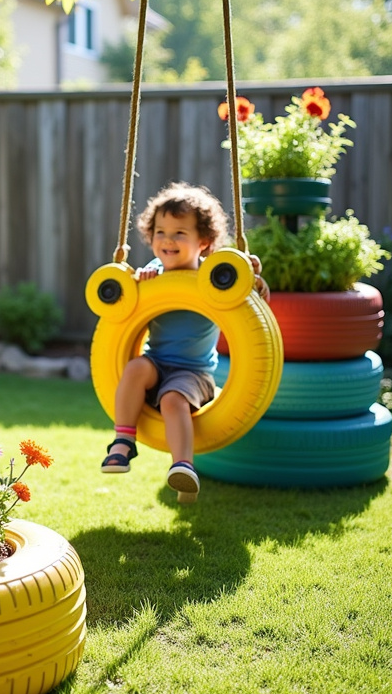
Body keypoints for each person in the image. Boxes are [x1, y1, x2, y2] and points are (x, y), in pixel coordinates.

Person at [100, 182, 268, 504]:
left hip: (194, 373)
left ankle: (183, 467)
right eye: (160, 231)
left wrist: (254, 281)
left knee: (173, 399)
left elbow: (248, 303)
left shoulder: (213, 278)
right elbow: (127, 314)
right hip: (157, 362)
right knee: (135, 368)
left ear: (203, 241)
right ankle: (123, 442)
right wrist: (138, 286)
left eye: (180, 233)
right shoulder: (152, 272)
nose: (168, 240)